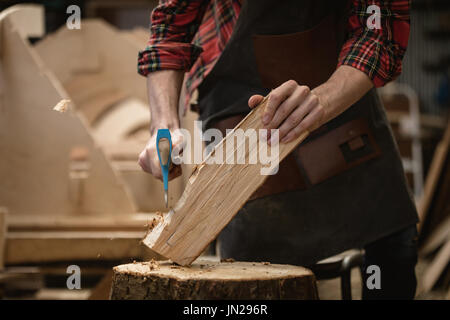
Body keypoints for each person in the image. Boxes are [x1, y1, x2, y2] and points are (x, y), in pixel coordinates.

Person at [137, 0, 419, 299]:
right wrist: (163, 126)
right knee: (253, 276)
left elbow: (378, 32)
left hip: (340, 88)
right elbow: (171, 27)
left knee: (392, 250)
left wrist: (324, 100)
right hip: (237, 105)